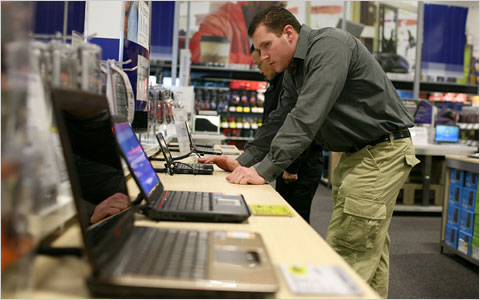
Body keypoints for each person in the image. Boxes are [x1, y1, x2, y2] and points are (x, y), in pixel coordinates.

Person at [199, 6, 420, 297]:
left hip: (380, 154)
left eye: (267, 45)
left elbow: (306, 117)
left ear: (289, 33)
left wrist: (262, 171)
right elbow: (280, 118)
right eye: (258, 49)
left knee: (348, 248)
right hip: (359, 155)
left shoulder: (329, 47)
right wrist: (244, 160)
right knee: (368, 248)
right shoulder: (295, 68)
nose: (262, 56)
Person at [251, 47, 323, 223]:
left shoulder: (287, 82)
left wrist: (291, 167)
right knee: (285, 212)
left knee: (297, 216)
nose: (259, 70)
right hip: (286, 161)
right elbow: (275, 123)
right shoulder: (276, 83)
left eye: (259, 64)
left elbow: (301, 126)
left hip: (299, 164)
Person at [189, 1, 284, 64]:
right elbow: (200, 56)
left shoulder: (266, 28)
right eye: (277, 4)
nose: (281, 11)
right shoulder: (221, 20)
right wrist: (257, 61)